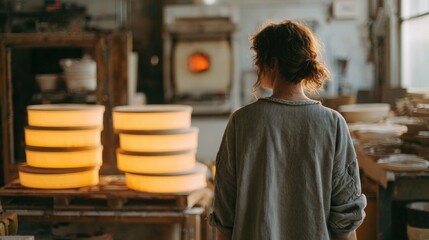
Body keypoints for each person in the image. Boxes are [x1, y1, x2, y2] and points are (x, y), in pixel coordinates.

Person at [209, 20, 366, 240]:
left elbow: (224, 213)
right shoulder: (334, 124)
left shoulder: (242, 122)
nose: (256, 66)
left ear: (272, 63)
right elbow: (346, 217)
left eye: (258, 59)